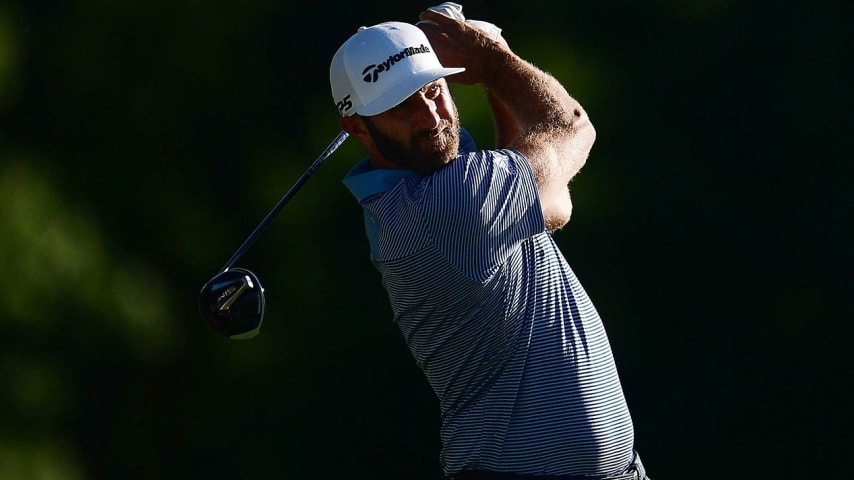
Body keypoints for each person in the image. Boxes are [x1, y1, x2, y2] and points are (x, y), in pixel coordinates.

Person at [330, 4, 649, 479]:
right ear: (357, 128)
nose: (430, 116)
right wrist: (493, 60)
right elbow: (572, 129)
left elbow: (521, 175)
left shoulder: (432, 183)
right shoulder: (444, 205)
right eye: (400, 106)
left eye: (433, 90)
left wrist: (488, 74)